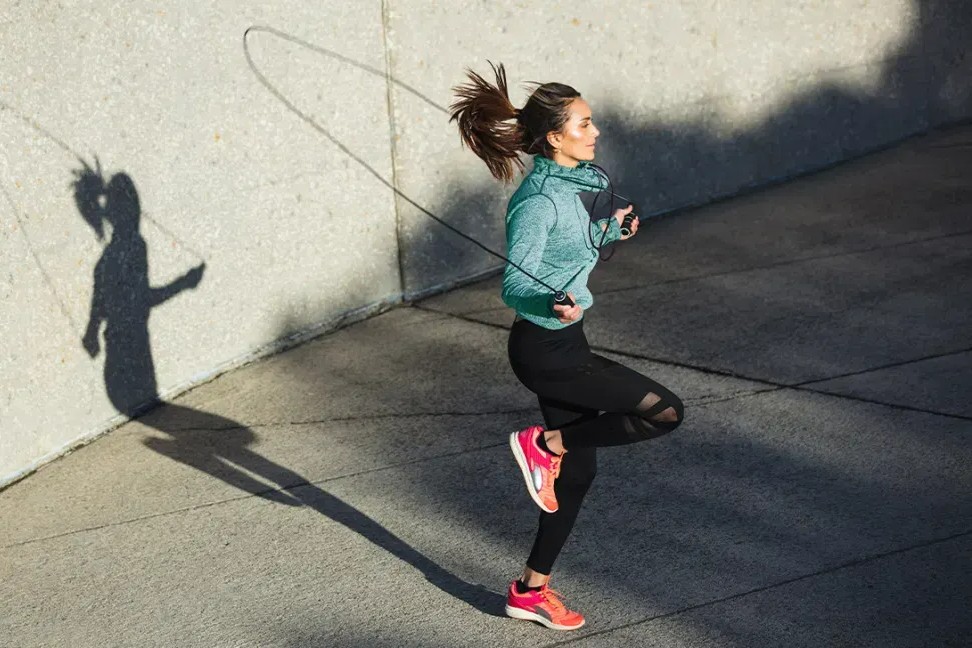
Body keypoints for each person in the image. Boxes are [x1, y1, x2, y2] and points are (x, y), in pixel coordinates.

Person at [450, 63, 685, 631]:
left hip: (565, 343)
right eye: (584, 123)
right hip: (546, 351)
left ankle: (530, 591)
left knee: (578, 479)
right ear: (555, 138)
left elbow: (575, 242)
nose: (595, 130)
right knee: (664, 411)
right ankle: (544, 442)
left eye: (591, 120)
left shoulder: (579, 183)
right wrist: (550, 302)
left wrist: (612, 230)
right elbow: (517, 283)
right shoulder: (537, 201)